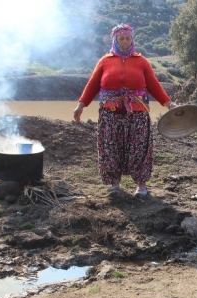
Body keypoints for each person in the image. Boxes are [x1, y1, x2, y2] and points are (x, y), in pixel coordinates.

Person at [73, 23, 175, 196]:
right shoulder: (105, 61)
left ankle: (141, 185)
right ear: (115, 40)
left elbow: (153, 85)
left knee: (139, 148)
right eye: (121, 38)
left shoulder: (141, 62)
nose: (125, 41)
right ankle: (114, 184)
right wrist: (81, 105)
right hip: (110, 114)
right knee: (111, 148)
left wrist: (169, 103)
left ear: (132, 39)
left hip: (137, 114)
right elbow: (92, 85)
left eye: (128, 38)